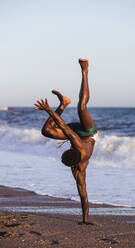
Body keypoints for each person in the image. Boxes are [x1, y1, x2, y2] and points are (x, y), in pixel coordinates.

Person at [34, 59, 98, 224]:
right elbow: (62, 125)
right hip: (89, 133)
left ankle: (64, 102)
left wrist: (85, 220)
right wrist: (48, 109)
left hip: (77, 132)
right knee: (81, 108)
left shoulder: (77, 163)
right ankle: (85, 71)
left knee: (46, 131)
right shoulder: (78, 147)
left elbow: (83, 194)